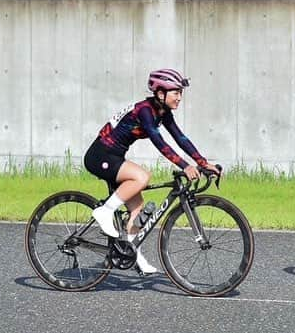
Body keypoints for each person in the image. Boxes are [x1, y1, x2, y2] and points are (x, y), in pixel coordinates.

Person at [83, 68, 218, 274]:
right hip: (100, 156)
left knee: (137, 210)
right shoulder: (145, 111)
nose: (180, 98)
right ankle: (105, 211)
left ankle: (133, 254)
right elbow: (159, 142)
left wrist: (202, 162)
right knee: (142, 177)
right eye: (176, 92)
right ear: (160, 93)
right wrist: (185, 166)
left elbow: (180, 138)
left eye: (181, 93)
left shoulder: (163, 113)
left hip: (114, 157)